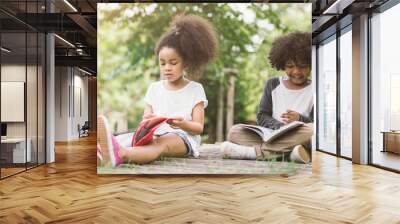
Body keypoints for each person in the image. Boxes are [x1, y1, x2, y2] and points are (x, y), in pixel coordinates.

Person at [97, 14, 218, 167]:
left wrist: (182, 124)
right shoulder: (154, 88)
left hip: (183, 137)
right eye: (162, 63)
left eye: (173, 63)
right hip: (154, 133)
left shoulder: (195, 89)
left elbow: (198, 128)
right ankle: (102, 154)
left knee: (159, 144)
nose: (167, 68)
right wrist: (148, 121)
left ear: (185, 63)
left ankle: (121, 154)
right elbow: (145, 119)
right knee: (128, 138)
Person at [221, 31, 313, 164]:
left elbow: (316, 122)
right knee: (234, 132)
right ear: (282, 64)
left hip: (300, 135)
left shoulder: (315, 89)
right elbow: (262, 115)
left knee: (312, 130)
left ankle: (255, 153)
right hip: (272, 135)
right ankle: (289, 154)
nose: (296, 72)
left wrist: (300, 119)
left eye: (302, 66)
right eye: (290, 66)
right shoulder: (273, 84)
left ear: (311, 64)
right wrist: (280, 127)